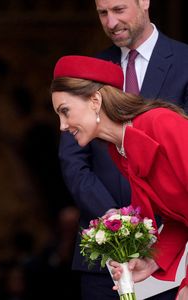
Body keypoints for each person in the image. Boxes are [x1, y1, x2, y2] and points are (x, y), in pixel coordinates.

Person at [59, 0, 188, 298]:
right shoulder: (121, 153)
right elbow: (72, 161)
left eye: (119, 10)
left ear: (144, 1)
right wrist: (122, 229)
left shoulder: (162, 122)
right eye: (102, 13)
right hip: (123, 255)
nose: (110, 22)